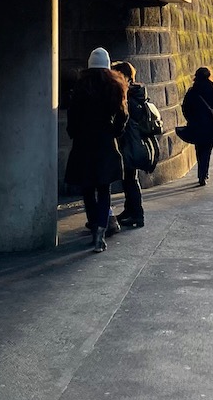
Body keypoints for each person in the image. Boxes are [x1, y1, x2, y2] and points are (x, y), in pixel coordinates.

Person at [65, 48, 128, 252]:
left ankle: (93, 226)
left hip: (84, 143)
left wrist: (74, 132)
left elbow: (72, 116)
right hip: (105, 143)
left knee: (87, 188)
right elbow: (122, 115)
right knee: (104, 188)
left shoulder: (81, 86)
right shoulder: (114, 86)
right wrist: (114, 131)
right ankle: (102, 226)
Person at [112, 60, 160, 229]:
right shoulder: (137, 93)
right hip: (135, 142)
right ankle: (130, 211)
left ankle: (137, 215)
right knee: (130, 179)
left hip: (129, 143)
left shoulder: (129, 96)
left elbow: (123, 119)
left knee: (130, 180)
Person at [181, 66, 213, 186]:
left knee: (199, 149)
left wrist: (191, 119)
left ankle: (201, 172)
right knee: (207, 150)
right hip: (210, 126)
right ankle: (203, 174)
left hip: (196, 125)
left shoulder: (192, 91)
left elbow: (185, 107)